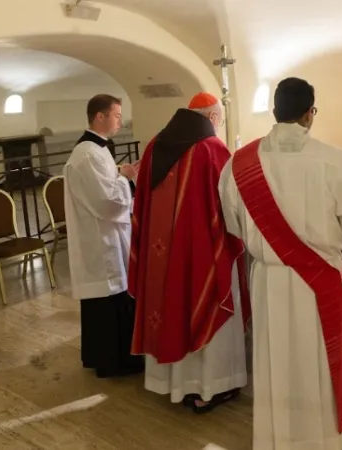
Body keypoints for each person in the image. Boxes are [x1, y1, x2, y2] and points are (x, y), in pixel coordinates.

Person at [218, 77, 342, 450]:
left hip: (268, 281)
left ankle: (278, 436)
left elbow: (233, 224)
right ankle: (322, 439)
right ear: (310, 113)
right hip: (318, 280)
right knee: (318, 361)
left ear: (275, 111)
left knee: (277, 361)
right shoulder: (332, 159)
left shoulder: (238, 164)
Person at [128, 93, 251, 413]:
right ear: (212, 118)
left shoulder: (155, 144)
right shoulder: (212, 149)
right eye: (220, 121)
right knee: (208, 304)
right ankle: (210, 388)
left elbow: (142, 200)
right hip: (202, 255)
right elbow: (232, 205)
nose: (219, 127)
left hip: (161, 258)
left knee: (168, 309)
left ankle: (170, 383)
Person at [64, 94, 144, 378]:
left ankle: (111, 357)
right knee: (108, 301)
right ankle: (114, 362)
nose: (120, 122)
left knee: (112, 300)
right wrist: (127, 178)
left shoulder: (97, 151)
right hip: (101, 242)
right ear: (99, 116)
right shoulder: (87, 154)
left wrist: (121, 173)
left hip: (106, 236)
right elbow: (106, 202)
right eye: (117, 116)